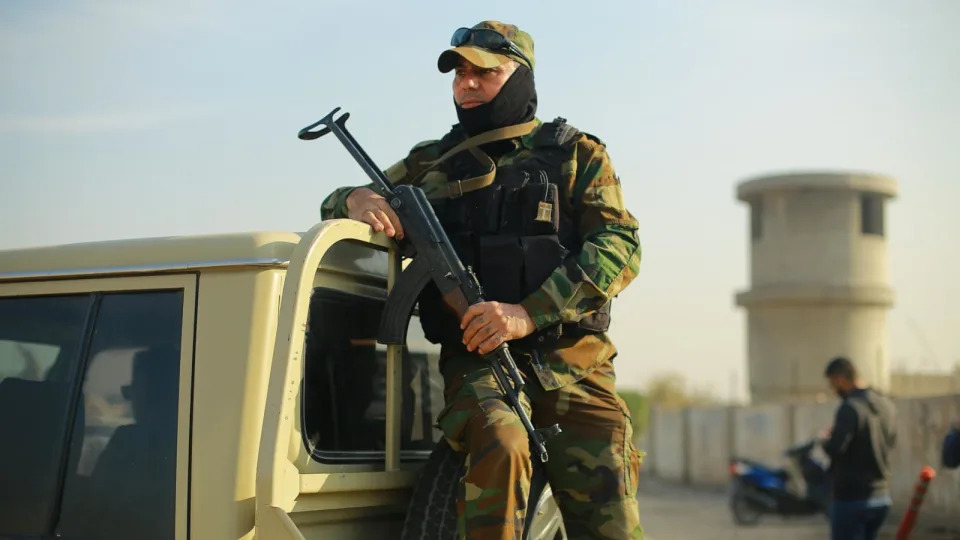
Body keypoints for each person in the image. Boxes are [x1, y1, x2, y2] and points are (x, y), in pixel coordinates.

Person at [321, 20, 643, 540]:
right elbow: (341, 199)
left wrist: (525, 314)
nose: (466, 85)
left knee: (610, 490)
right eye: (459, 74)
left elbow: (619, 247)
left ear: (519, 76)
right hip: (477, 364)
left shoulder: (576, 155)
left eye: (483, 73)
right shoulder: (432, 161)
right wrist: (355, 200)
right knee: (502, 443)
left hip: (572, 363)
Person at [822, 357, 897, 540]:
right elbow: (891, 441)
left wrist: (826, 439)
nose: (833, 390)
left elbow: (835, 448)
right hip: (881, 496)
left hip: (852, 498)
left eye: (832, 384)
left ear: (840, 378)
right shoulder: (886, 405)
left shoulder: (850, 408)